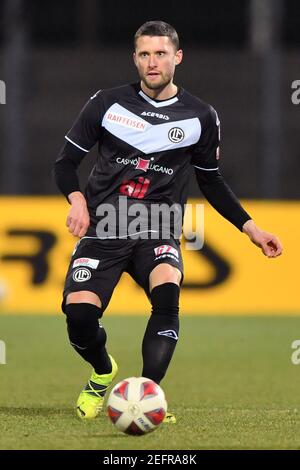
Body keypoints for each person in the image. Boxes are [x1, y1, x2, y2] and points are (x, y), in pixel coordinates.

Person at [54, 21, 282, 424]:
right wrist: (77, 200)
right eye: (144, 54)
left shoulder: (200, 116)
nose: (152, 62)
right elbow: (65, 163)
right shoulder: (107, 104)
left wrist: (252, 228)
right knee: (80, 317)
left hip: (157, 228)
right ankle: (103, 371)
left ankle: (146, 395)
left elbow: (211, 181)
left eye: (160, 53)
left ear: (177, 57)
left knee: (166, 292)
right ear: (135, 59)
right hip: (104, 227)